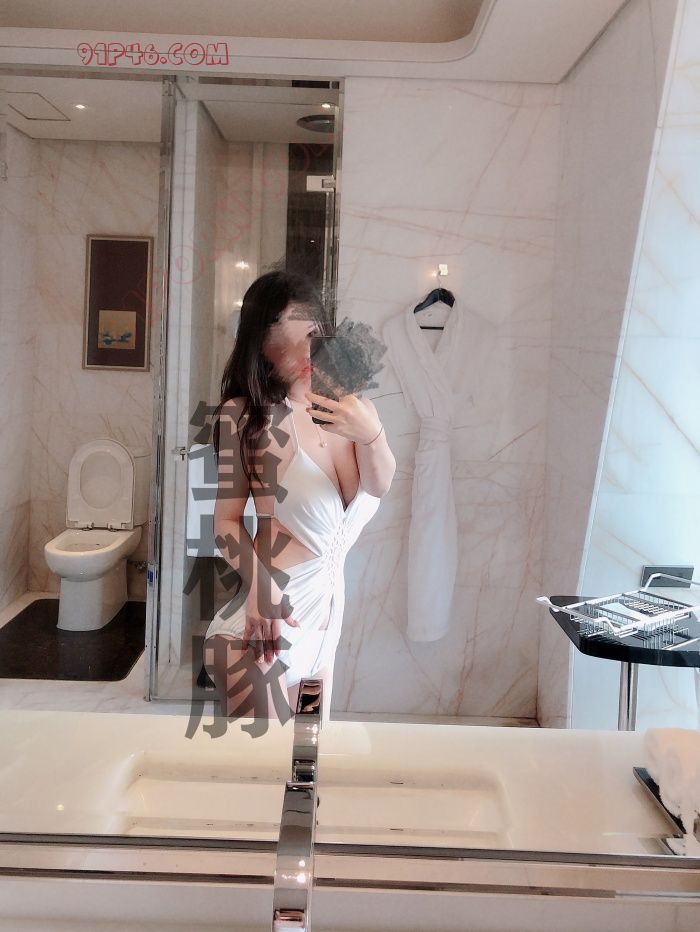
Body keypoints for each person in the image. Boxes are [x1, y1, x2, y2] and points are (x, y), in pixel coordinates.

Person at [203, 271, 396, 725]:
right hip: (263, 628)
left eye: (312, 337)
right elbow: (225, 523)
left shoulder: (355, 412)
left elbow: (379, 485)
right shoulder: (244, 417)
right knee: (268, 764)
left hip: (323, 633)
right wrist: (260, 587)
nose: (306, 356)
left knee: (307, 762)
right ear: (262, 349)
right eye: (287, 343)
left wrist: (373, 434)